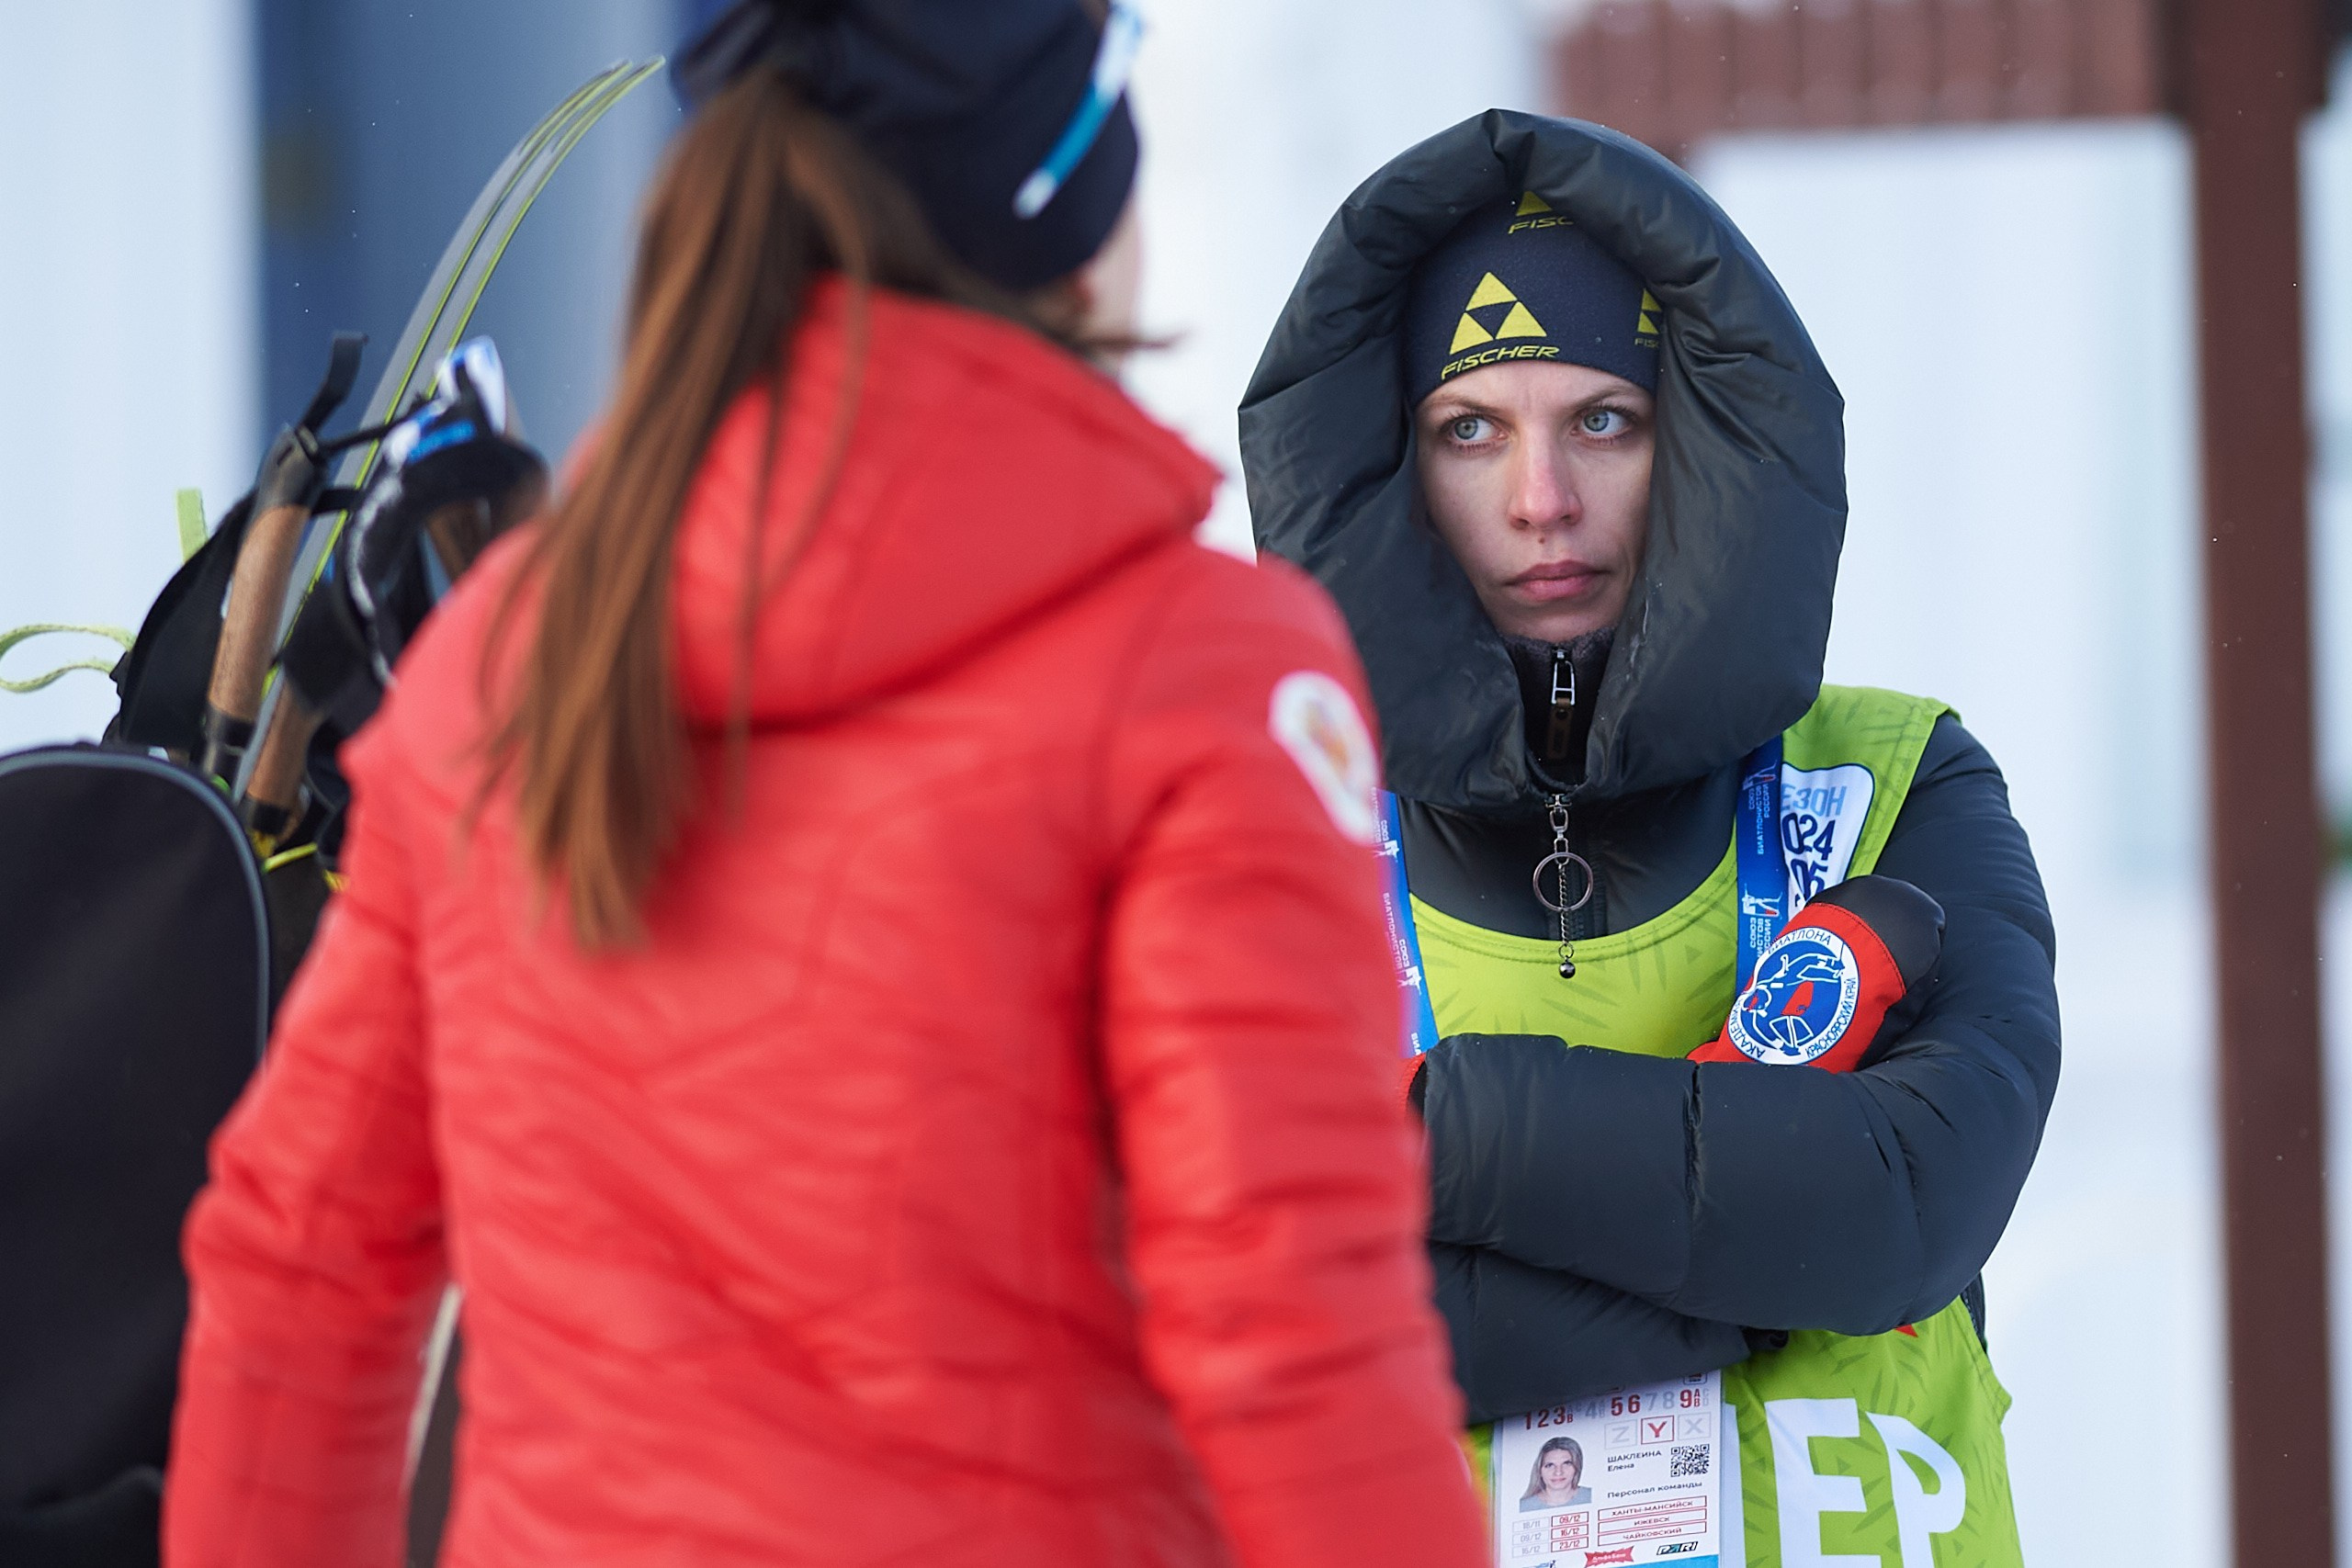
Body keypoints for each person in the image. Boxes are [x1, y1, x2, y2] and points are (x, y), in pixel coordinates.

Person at [159, 6, 1488, 1567]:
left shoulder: (499, 670)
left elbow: (303, 1266)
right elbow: (1295, 1345)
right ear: (1063, 205)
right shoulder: (1203, 678)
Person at [1240, 112, 2059, 1566]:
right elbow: (1226, 1314)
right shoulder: (1259, 828)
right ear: (1387, 467)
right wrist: (1760, 1241)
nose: (1539, 499)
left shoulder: (1889, 777)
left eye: (1602, 420)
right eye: (1469, 429)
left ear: (1702, 443)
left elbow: (1911, 1196)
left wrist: (1408, 1132)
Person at [1519, 1438, 1589, 1511]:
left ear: (1577, 1467)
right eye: (1550, 1465)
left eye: (1566, 1463)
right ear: (1539, 1471)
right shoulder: (1523, 1507)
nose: (1558, 1472)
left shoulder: (1592, 1496)